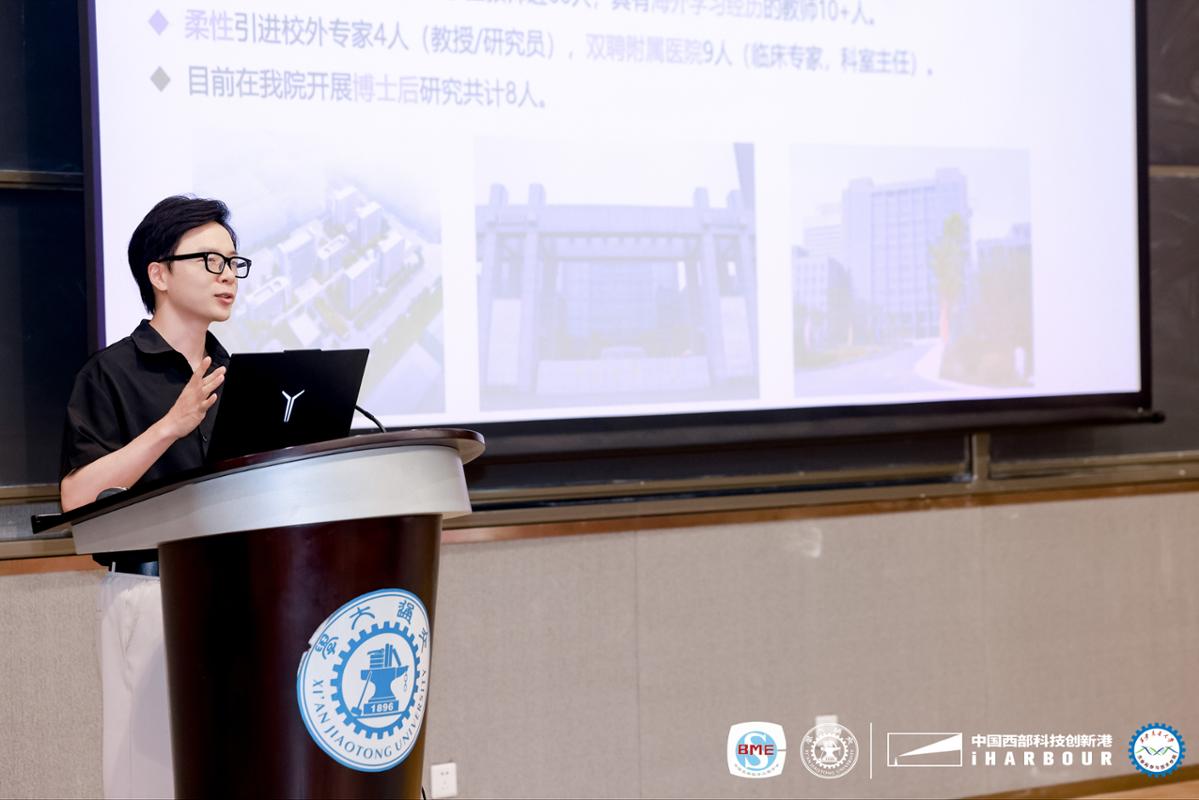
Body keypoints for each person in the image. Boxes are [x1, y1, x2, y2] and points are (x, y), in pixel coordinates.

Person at [59, 195, 250, 799]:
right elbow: (77, 497)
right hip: (151, 595)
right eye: (210, 260)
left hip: (240, 590)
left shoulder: (234, 374)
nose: (227, 275)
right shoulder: (110, 374)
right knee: (150, 778)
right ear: (159, 274)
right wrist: (170, 425)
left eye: (234, 262)